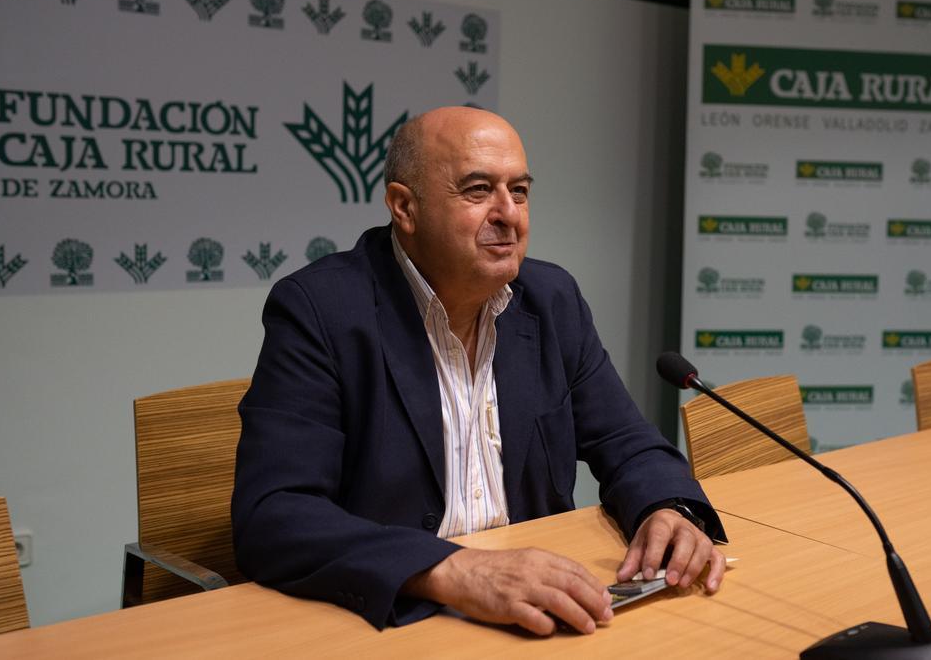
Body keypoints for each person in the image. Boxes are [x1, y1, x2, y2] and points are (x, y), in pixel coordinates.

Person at [231, 106, 727, 636]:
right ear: (404, 207)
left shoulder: (551, 300)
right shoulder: (322, 310)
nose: (508, 213)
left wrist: (668, 509)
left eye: (520, 191)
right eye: (477, 190)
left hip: (535, 617)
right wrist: (449, 568)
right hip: (396, 621)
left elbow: (628, 442)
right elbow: (274, 514)